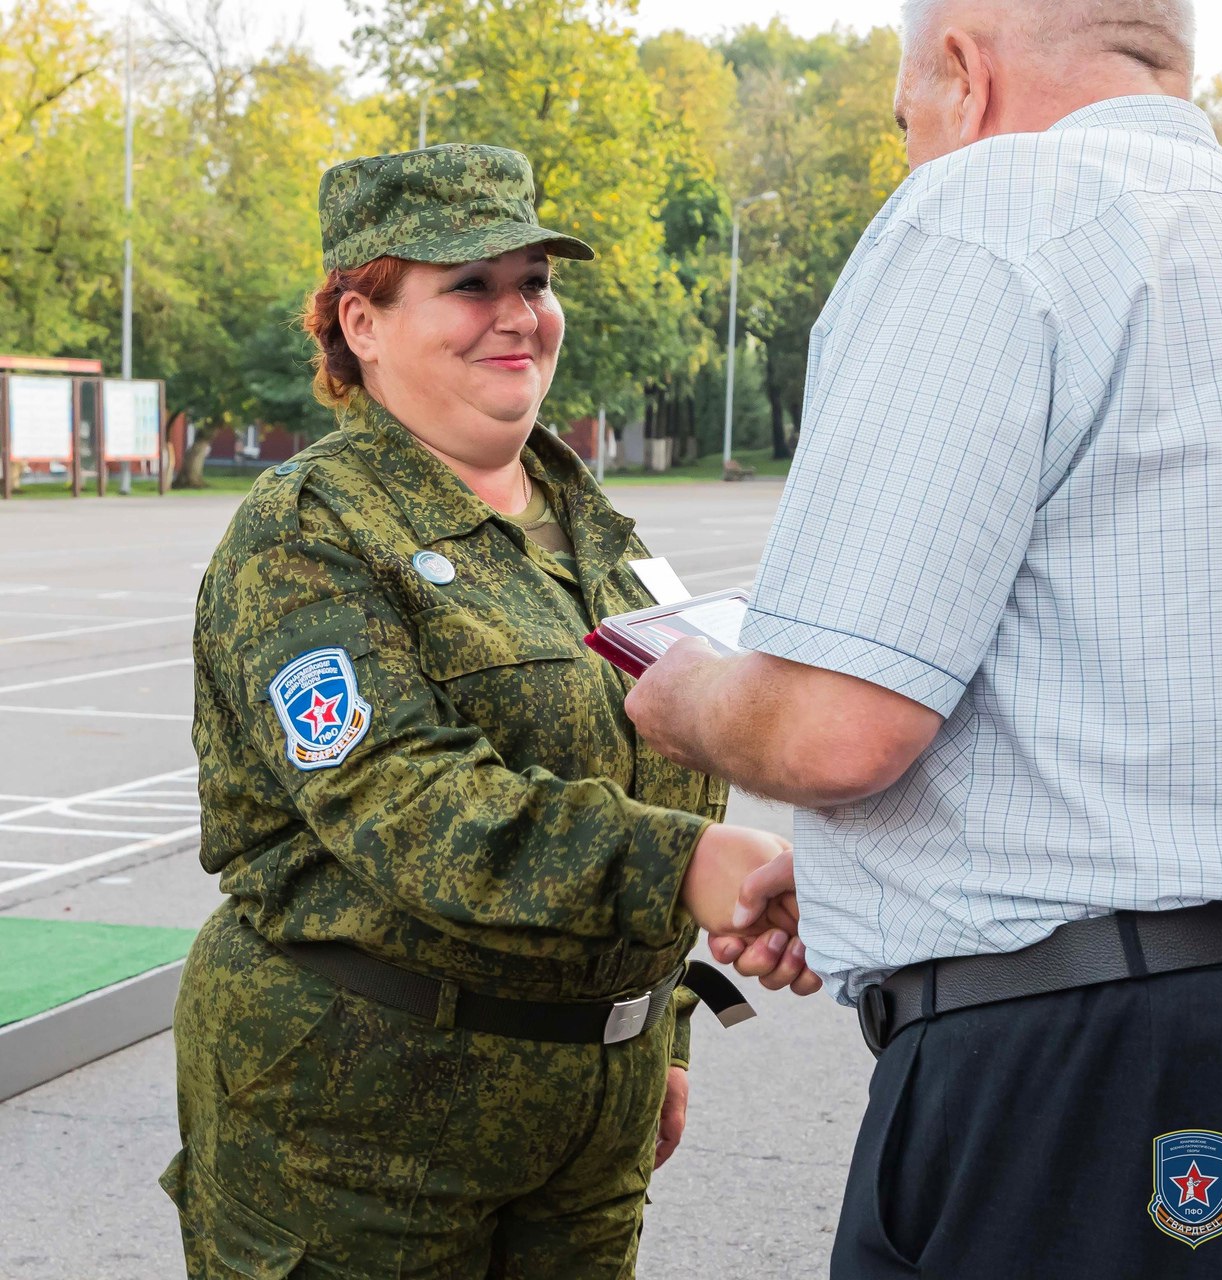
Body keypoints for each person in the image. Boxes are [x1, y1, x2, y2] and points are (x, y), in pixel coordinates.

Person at [626, 1, 1222, 1275]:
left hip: (1072, 1072)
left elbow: (832, 725)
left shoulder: (989, 209)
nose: (910, 155)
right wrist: (889, 876)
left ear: (963, 79)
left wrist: (685, 693)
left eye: (902, 119)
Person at [161, 143, 814, 1280]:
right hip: (359, 1134)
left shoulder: (594, 525)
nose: (517, 315)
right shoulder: (306, 531)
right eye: (471, 285)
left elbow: (652, 773)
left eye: (535, 283)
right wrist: (681, 865)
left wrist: (650, 1029)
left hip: (585, 1129)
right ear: (360, 322)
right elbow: (404, 801)